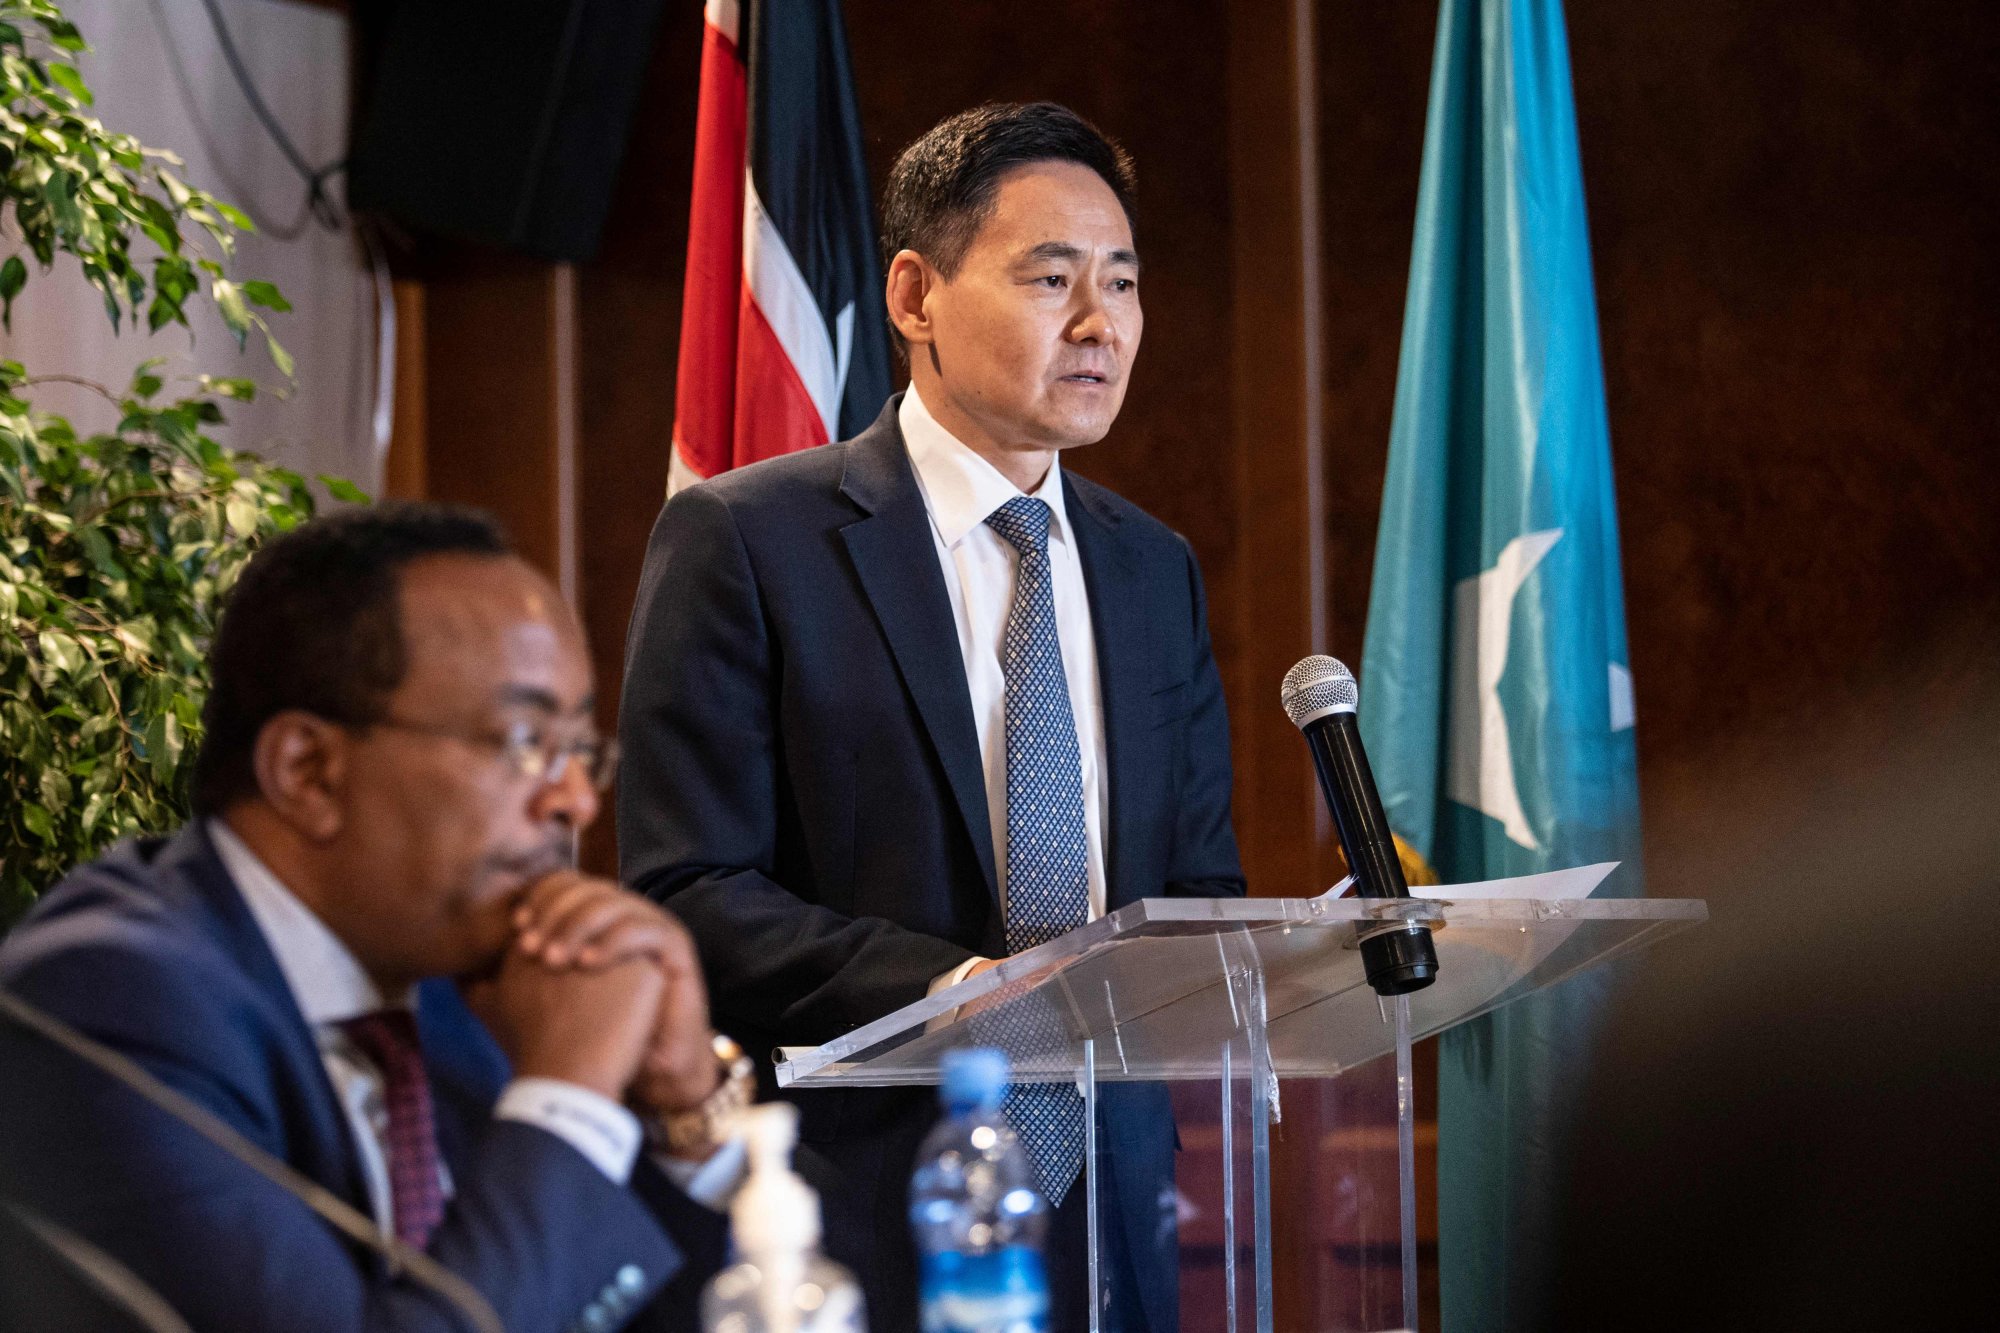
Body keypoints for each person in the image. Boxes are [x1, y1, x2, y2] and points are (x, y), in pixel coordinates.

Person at [619, 101, 1246, 1332]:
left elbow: (1193, 888)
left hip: (1117, 1214)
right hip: (856, 1198)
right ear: (914, 296)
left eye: (1120, 282)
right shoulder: (750, 541)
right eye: (1049, 277)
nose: (1098, 323)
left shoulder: (1147, 565)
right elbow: (684, 887)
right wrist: (957, 987)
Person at [0, 505, 745, 1332]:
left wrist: (687, 1112)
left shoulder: (465, 973)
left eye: (579, 750)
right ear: (308, 770)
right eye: (525, 739)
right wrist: (566, 1095)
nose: (573, 800)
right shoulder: (111, 1006)